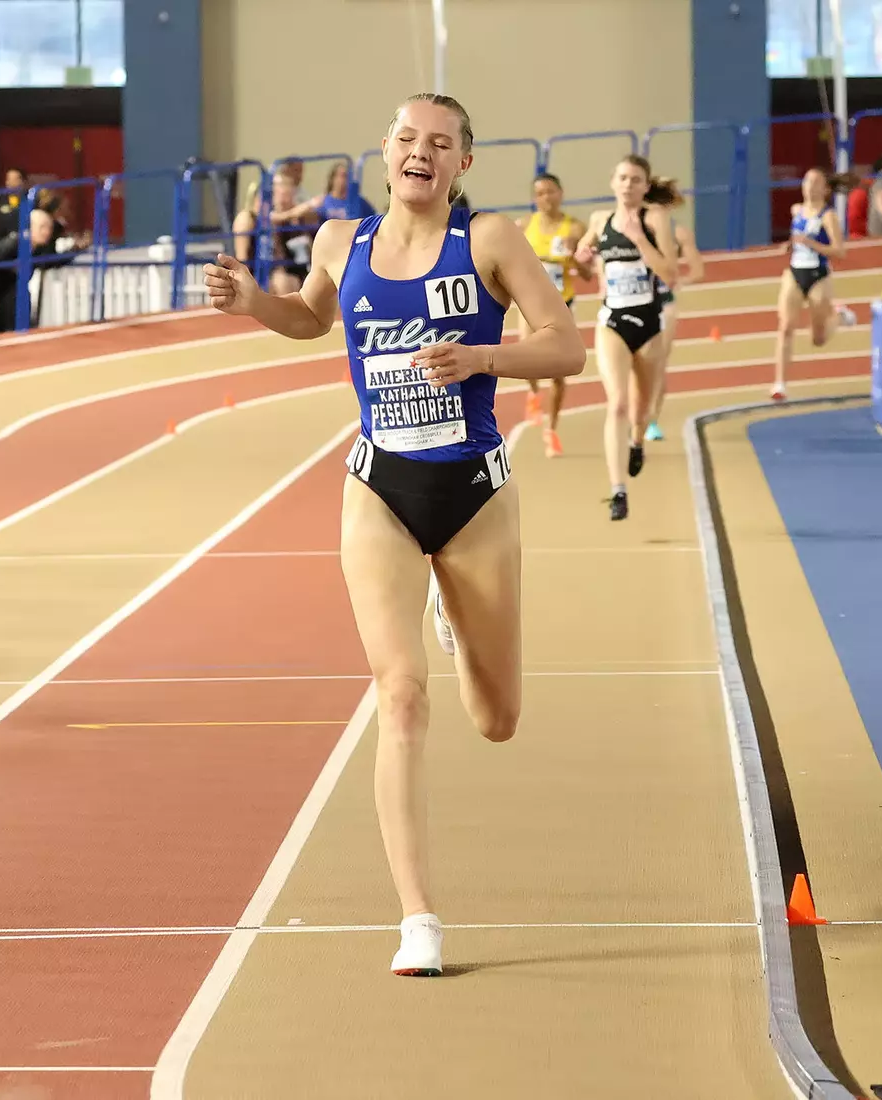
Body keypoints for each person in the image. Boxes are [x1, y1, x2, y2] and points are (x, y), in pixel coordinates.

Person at [202, 93, 584, 977]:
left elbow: (564, 346)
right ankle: (419, 919)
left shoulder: (488, 243)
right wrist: (255, 301)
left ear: (462, 164)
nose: (422, 152)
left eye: (440, 143)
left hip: (476, 494)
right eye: (408, 138)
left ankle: (455, 610)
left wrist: (482, 358)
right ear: (385, 151)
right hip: (379, 486)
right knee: (399, 695)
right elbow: (311, 317)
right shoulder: (340, 241)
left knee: (496, 720)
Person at [573, 155, 682, 521]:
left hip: (649, 324)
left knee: (642, 410)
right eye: (622, 178)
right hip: (612, 321)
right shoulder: (600, 220)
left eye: (636, 180)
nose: (628, 185)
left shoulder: (655, 219)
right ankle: (618, 491)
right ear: (613, 182)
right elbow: (584, 263)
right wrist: (582, 256)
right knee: (617, 403)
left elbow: (671, 274)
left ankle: (637, 442)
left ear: (646, 186)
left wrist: (639, 239)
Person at [515, 173, 584, 457]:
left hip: (562, 304)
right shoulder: (524, 227)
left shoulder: (575, 228)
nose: (546, 198)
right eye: (540, 193)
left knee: (558, 371)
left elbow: (587, 270)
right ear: (534, 199)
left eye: (551, 192)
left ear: (561, 193)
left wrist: (574, 256)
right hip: (531, 303)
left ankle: (551, 430)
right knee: (526, 357)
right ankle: (533, 393)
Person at [773, 167, 847, 401]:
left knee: (818, 339)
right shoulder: (796, 210)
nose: (809, 186)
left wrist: (810, 243)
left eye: (816, 182)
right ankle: (779, 385)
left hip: (818, 275)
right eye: (807, 181)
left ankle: (840, 317)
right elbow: (797, 238)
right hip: (795, 272)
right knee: (785, 327)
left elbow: (839, 251)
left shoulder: (828, 216)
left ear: (825, 189)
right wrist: (791, 245)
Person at [643, 189, 702, 443]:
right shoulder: (635, 229)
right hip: (634, 303)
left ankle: (652, 420)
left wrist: (678, 281)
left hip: (664, 303)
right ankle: (638, 415)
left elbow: (698, 270)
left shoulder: (680, 234)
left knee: (658, 365)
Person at [0, 207, 73, 336]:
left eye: (49, 227)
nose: (46, 232)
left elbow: (50, 262)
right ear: (29, 228)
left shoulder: (36, 249)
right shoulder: (12, 244)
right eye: (42, 227)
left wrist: (75, 251)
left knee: (7, 329)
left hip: (1, 291)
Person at [231, 174, 320, 294]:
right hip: (250, 272)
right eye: (264, 198)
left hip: (271, 272)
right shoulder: (246, 218)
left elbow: (278, 256)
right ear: (256, 198)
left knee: (291, 281)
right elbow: (242, 258)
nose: (267, 203)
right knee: (282, 283)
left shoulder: (271, 223)